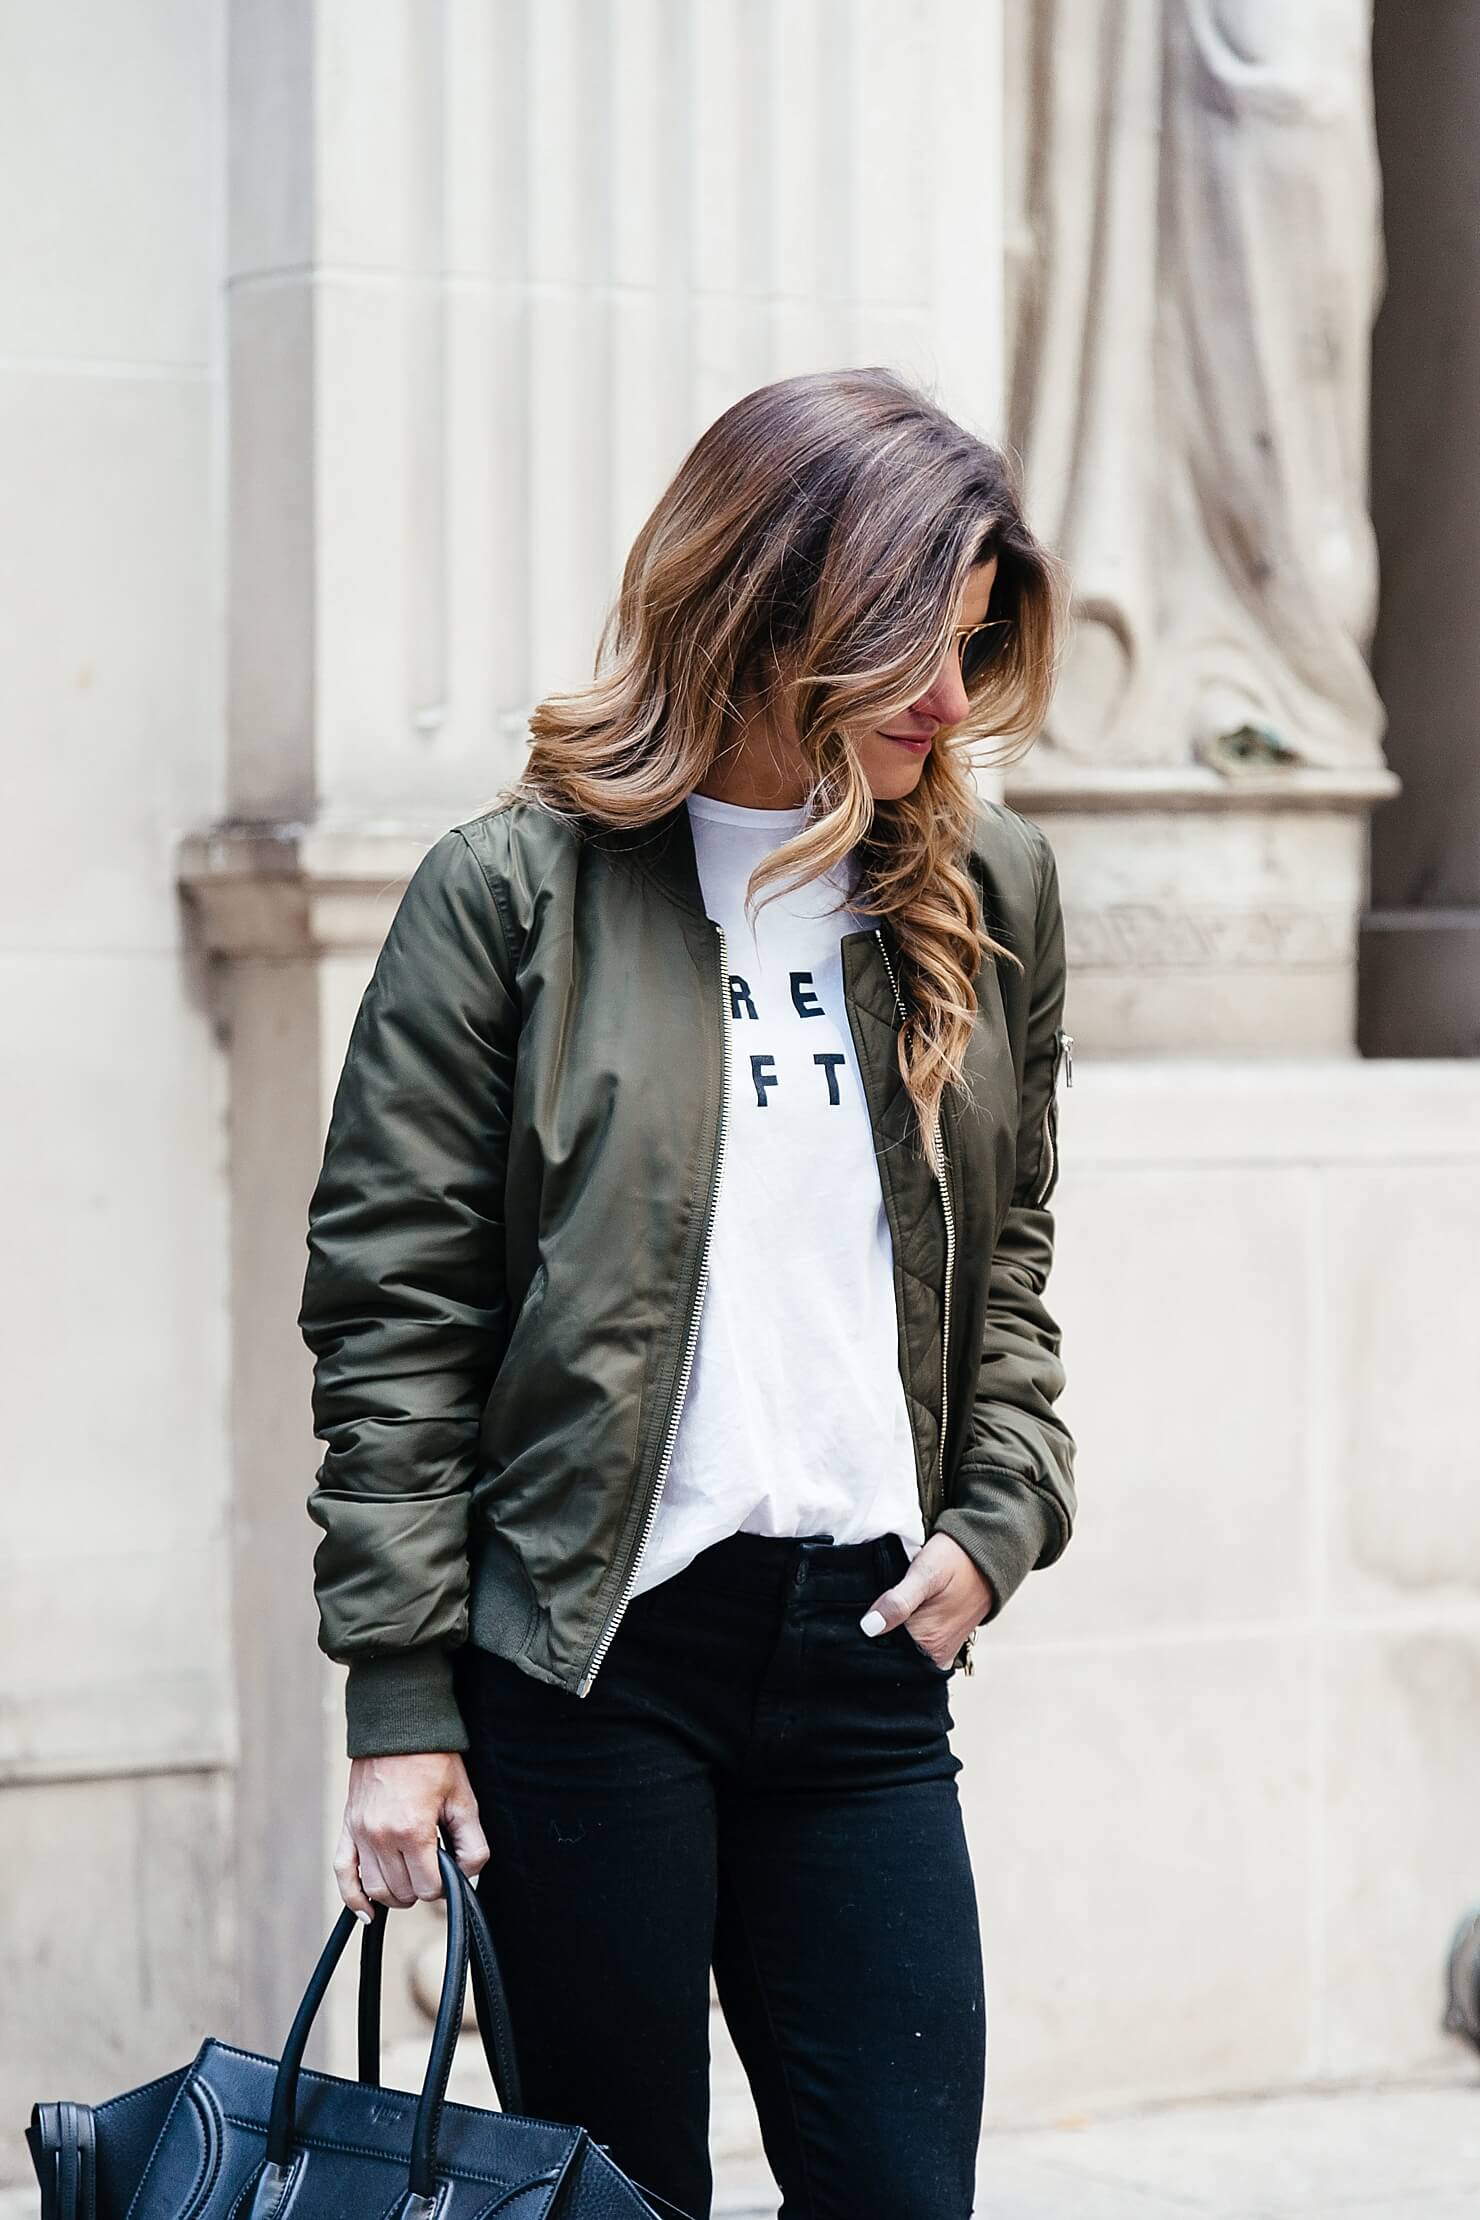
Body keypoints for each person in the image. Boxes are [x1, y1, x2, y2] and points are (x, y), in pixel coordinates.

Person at [298, 365, 1078, 2220]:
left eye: (974, 649)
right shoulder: (513, 897)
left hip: (873, 1658)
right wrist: (401, 1699)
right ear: (773, 611)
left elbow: (1017, 1250)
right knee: (611, 2198)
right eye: (914, 647)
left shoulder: (985, 889)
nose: (950, 706)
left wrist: (1003, 1510)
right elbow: (395, 1309)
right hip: (591, 1660)